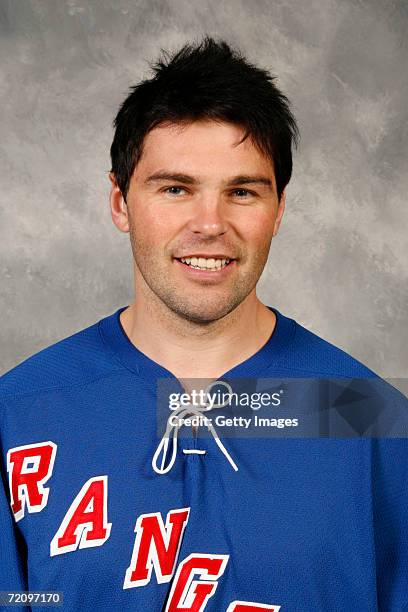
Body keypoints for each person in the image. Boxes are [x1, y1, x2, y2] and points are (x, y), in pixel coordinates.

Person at [0, 36, 406, 612]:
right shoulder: (18, 412)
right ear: (120, 202)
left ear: (279, 208)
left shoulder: (365, 415)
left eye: (242, 191)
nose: (210, 224)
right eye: (175, 188)